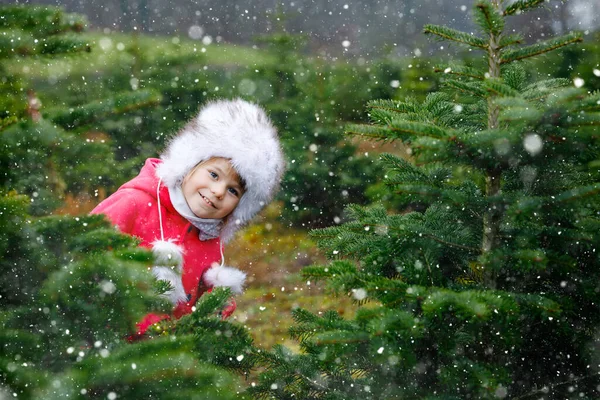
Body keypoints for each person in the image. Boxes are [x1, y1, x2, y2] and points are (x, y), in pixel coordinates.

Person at [91, 98, 285, 338]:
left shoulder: (209, 238)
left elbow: (197, 307)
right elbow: (84, 254)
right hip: (107, 345)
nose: (218, 191)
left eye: (233, 190)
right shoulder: (134, 203)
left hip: (166, 360)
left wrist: (218, 302)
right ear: (189, 164)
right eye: (214, 174)